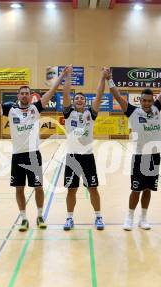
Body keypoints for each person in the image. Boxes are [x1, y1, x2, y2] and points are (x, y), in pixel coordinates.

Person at [0, 68, 69, 231]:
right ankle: (24, 218)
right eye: (22, 93)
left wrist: (62, 76)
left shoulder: (36, 108)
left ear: (31, 96)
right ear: (18, 96)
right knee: (19, 188)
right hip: (17, 156)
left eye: (28, 93)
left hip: (33, 155)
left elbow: (53, 90)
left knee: (38, 187)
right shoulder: (9, 109)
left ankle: (40, 216)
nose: (25, 95)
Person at [109, 62, 161, 231]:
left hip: (154, 156)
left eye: (148, 100)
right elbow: (118, 97)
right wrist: (110, 80)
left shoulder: (156, 109)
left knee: (148, 189)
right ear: (140, 101)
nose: (146, 103)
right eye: (143, 100)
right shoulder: (133, 111)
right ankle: (129, 217)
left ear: (152, 100)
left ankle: (143, 218)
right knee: (136, 189)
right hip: (139, 157)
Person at [61, 66, 106, 231]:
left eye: (82, 98)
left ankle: (99, 217)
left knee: (93, 188)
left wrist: (103, 78)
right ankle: (69, 218)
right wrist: (68, 76)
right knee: (71, 190)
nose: (79, 100)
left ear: (85, 102)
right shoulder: (68, 114)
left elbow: (99, 95)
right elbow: (65, 94)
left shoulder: (90, 114)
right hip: (72, 157)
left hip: (87, 157)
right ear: (73, 102)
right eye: (77, 98)